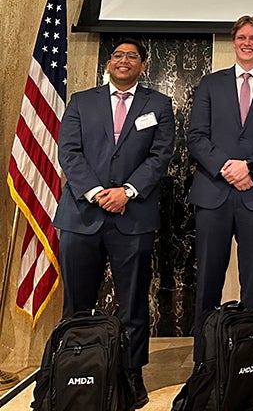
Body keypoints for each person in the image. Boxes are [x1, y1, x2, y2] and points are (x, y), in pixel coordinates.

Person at [53, 38, 175, 408]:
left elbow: (160, 155)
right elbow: (68, 152)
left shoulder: (159, 104)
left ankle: (130, 375)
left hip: (132, 217)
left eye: (132, 57)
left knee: (133, 305)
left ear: (143, 65)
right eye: (118, 55)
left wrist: (127, 191)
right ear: (109, 63)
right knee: (76, 303)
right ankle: (72, 372)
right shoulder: (81, 101)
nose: (124, 61)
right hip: (81, 215)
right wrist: (95, 192)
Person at [187, 15, 253, 396]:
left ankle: (251, 364)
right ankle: (204, 363)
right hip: (213, 195)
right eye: (241, 37)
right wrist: (227, 168)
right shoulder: (210, 84)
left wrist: (249, 167)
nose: (247, 42)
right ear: (234, 42)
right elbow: (195, 137)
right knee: (208, 282)